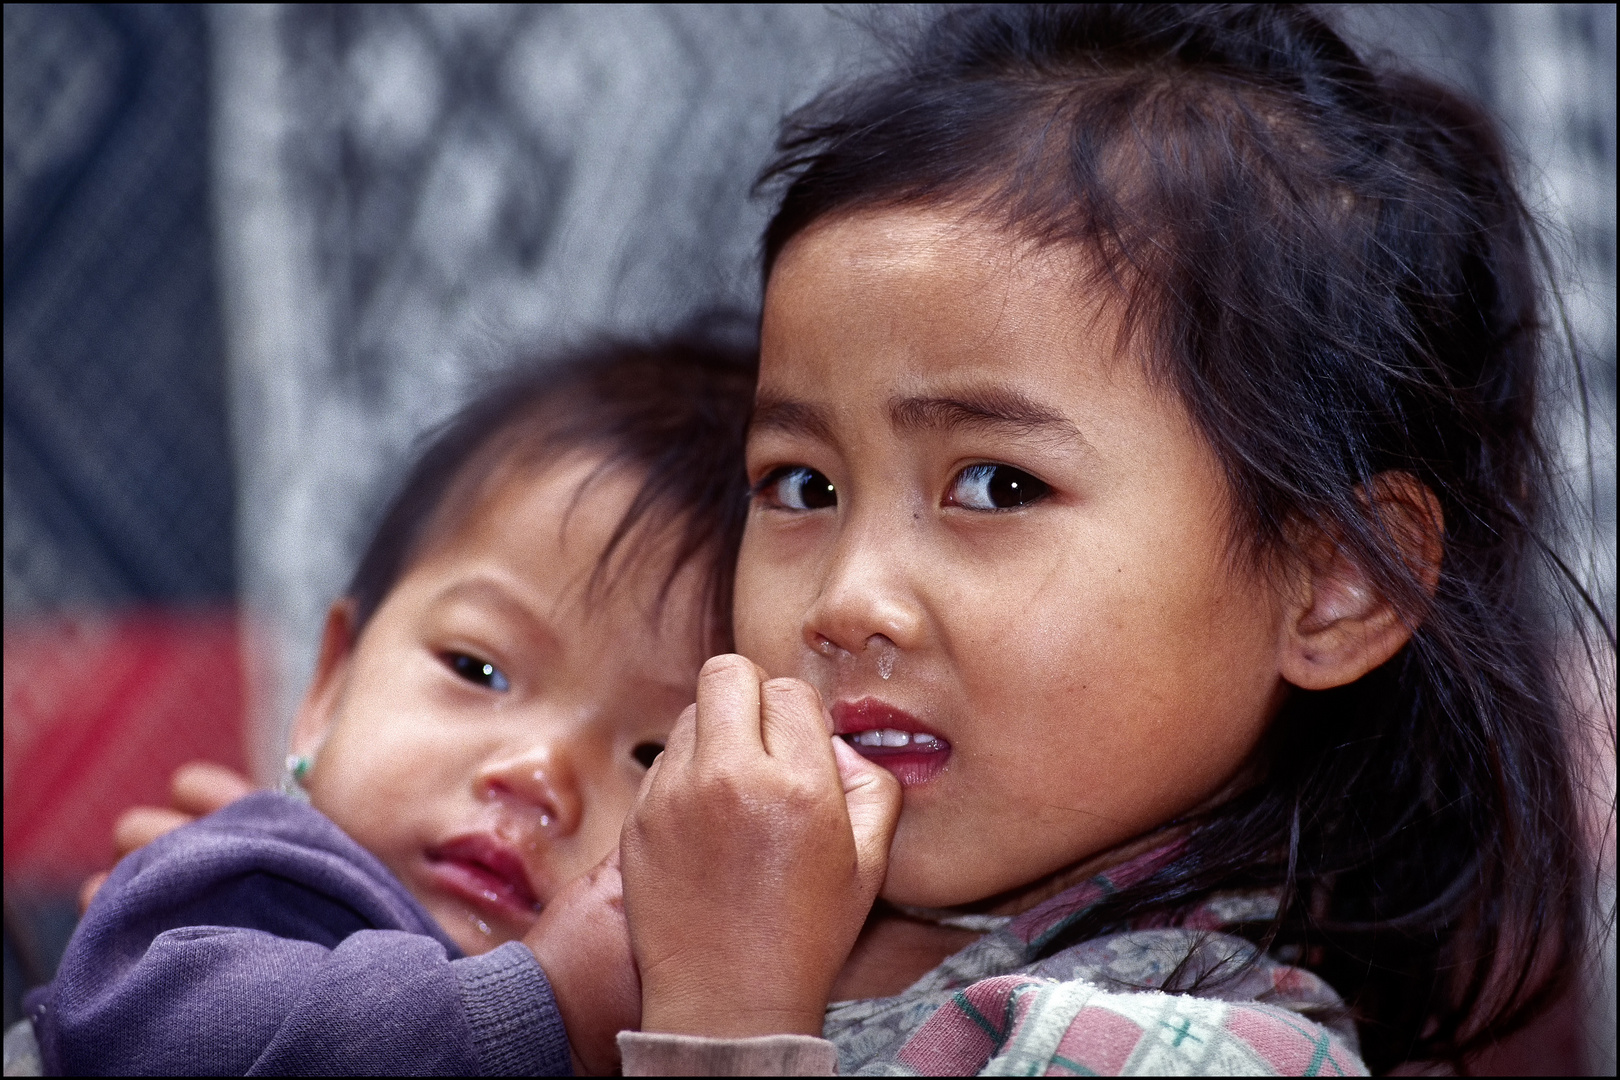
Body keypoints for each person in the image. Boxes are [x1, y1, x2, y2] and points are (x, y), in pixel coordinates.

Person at [616, 6, 1605, 1075]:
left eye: (996, 486)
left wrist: (725, 1016)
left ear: (1335, 583)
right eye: (802, 484)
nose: (847, 601)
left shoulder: (1206, 1054)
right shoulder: (691, 895)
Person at [15, 327, 756, 1076]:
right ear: (330, 684)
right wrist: (541, 1011)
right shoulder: (257, 884)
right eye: (478, 668)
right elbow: (131, 1039)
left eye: (657, 754)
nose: (539, 773)